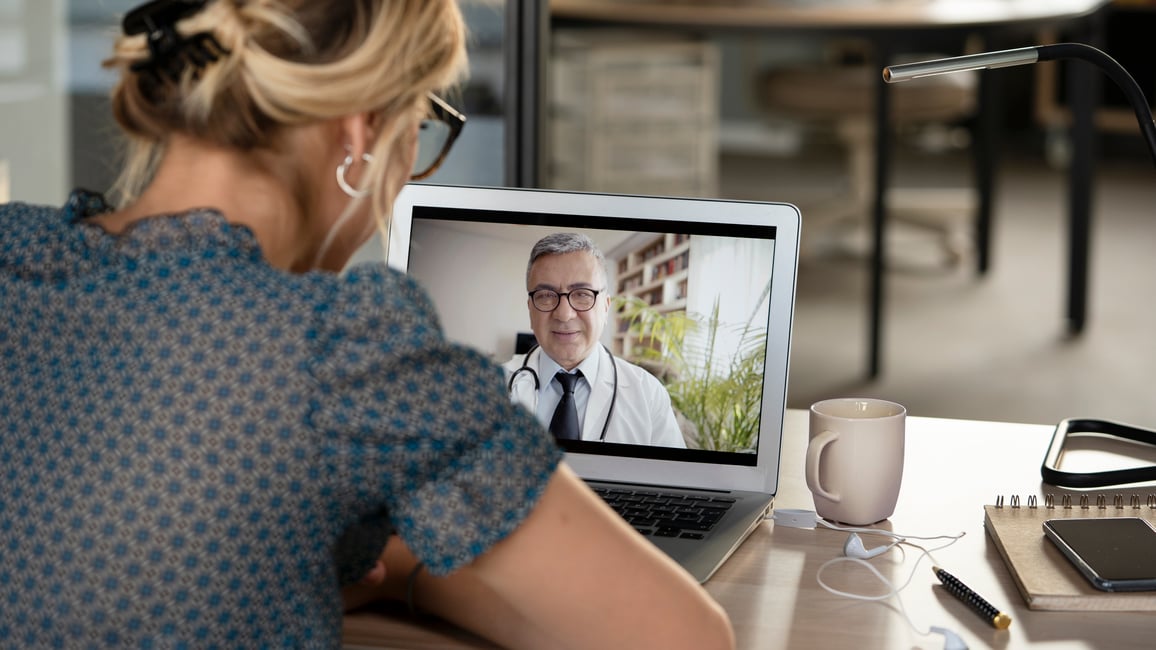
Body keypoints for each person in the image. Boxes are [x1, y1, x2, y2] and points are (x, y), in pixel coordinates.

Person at [0, 1, 733, 648]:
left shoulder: (14, 252)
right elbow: (687, 637)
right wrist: (410, 572)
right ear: (362, 133)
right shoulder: (342, 348)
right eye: (421, 124)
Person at [504, 233, 687, 448]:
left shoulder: (649, 395)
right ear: (530, 310)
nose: (564, 314)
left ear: (606, 307)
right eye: (546, 295)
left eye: (582, 294)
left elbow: (669, 480)